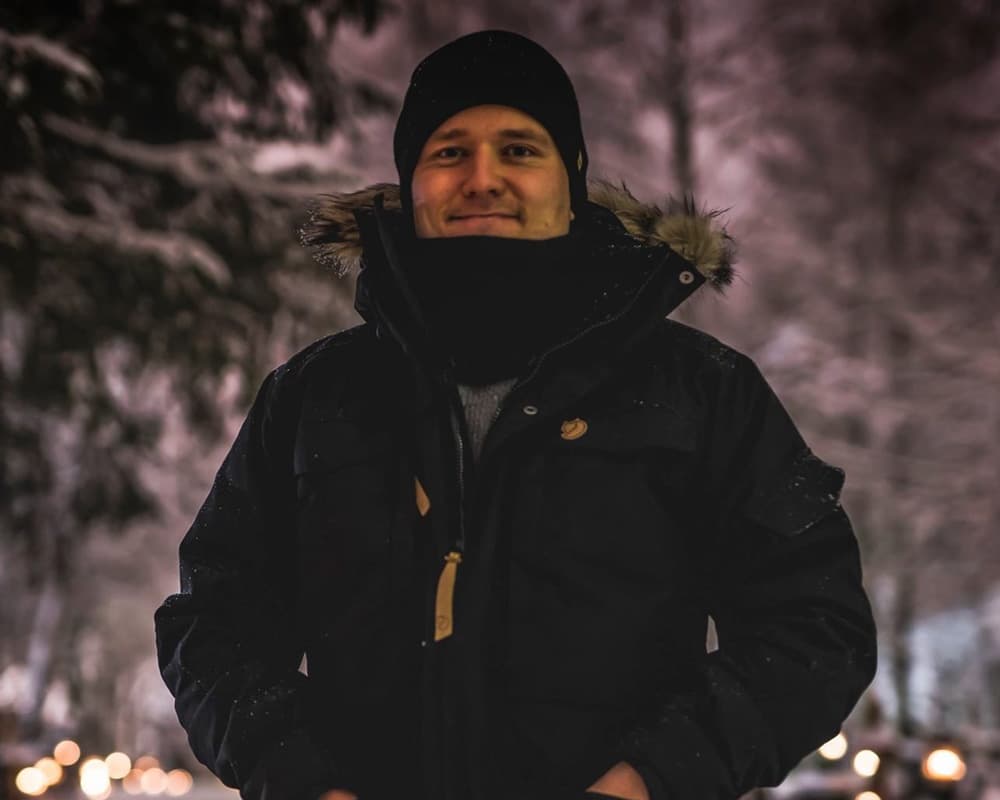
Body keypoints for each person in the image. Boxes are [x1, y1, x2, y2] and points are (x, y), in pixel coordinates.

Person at [154, 29, 877, 800]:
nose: (483, 177)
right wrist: (302, 781)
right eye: (449, 151)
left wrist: (654, 781)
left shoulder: (703, 393)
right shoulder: (312, 397)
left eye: (521, 150)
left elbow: (813, 626)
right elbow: (212, 628)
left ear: (571, 179)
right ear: (411, 182)